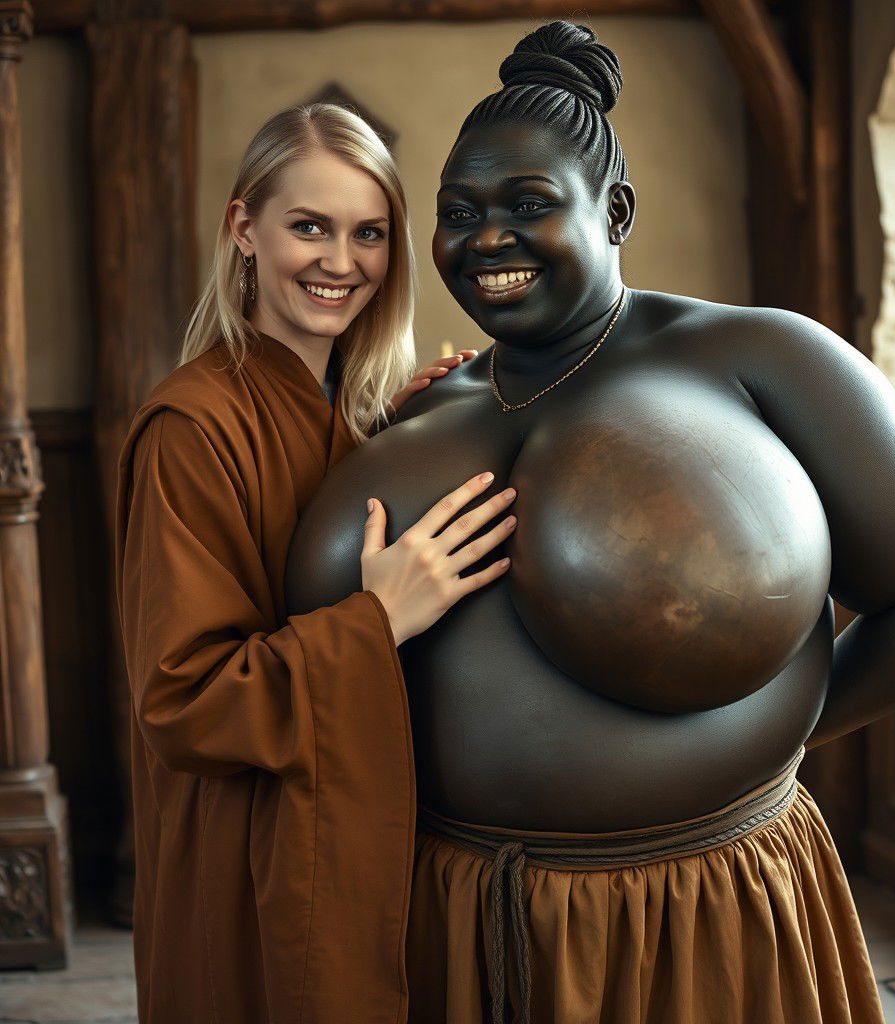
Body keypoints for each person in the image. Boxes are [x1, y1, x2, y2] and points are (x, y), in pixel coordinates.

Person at [286, 22, 895, 1024]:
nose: (483, 237)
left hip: (693, 906)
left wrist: (775, 729)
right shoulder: (422, 408)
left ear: (614, 210)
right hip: (452, 910)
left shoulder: (759, 357)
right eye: (458, 213)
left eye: (526, 205)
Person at [115, 103, 519, 1024]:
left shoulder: (353, 413)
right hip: (250, 863)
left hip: (360, 836)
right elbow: (184, 699)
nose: (342, 262)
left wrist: (412, 436)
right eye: (310, 226)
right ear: (243, 228)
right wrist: (377, 620)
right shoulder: (192, 428)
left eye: (369, 233)